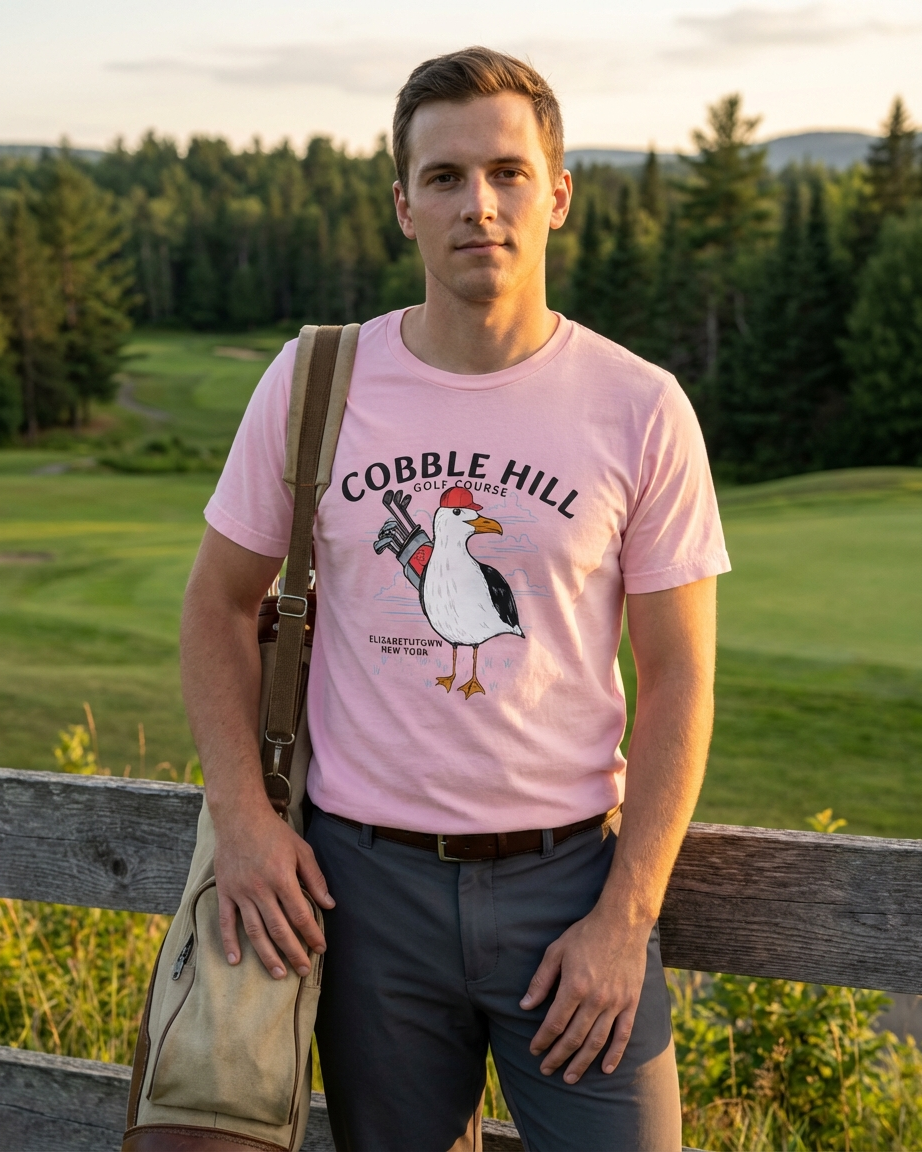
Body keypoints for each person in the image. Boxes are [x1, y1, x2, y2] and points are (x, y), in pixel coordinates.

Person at [181, 46, 730, 1152]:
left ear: (558, 193)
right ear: (402, 205)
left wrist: (624, 919)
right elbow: (214, 609)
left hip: (572, 885)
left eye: (507, 172)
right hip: (360, 892)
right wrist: (243, 822)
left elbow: (677, 678)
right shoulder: (312, 380)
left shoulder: (640, 407)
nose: (478, 204)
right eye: (444, 178)